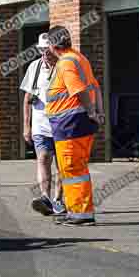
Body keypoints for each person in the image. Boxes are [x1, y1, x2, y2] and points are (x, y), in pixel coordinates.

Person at [44, 25, 104, 227]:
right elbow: (95, 86)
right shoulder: (79, 58)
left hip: (70, 124)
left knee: (72, 168)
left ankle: (80, 213)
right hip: (76, 123)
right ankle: (76, 210)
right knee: (75, 168)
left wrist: (91, 111)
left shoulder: (66, 63)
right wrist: (98, 112)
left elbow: (78, 90)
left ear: (53, 45)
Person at [21, 33, 65, 216]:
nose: (44, 53)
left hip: (63, 123)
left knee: (62, 164)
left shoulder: (64, 67)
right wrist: (26, 125)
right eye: (41, 49)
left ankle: (58, 200)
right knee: (43, 158)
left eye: (47, 49)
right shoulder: (35, 67)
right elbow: (28, 98)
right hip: (41, 125)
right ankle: (45, 197)